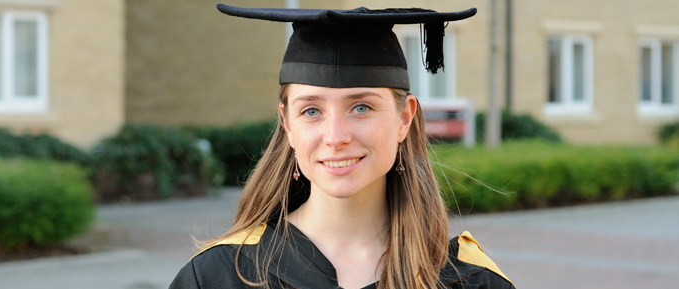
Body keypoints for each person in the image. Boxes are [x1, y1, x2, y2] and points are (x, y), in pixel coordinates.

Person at [170, 4, 515, 289]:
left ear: (404, 118)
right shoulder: (220, 276)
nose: (336, 136)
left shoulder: (470, 280)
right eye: (311, 110)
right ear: (287, 124)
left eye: (361, 107)